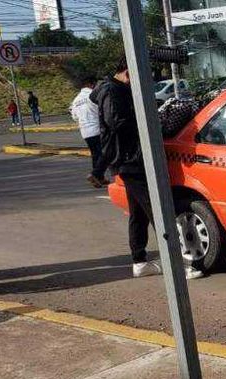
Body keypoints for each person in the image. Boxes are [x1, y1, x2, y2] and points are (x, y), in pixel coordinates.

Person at [90, 60, 203, 280]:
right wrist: (148, 120)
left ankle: (140, 261)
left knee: (139, 214)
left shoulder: (117, 90)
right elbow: (116, 125)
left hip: (130, 159)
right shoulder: (113, 91)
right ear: (128, 71)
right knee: (159, 212)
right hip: (132, 160)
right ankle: (178, 265)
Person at [70, 77, 107, 188]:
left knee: (95, 154)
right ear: (91, 84)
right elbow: (102, 109)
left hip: (85, 131)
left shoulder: (76, 100)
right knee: (106, 153)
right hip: (97, 128)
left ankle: (99, 178)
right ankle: (95, 174)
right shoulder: (93, 94)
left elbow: (75, 117)